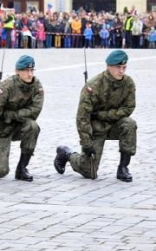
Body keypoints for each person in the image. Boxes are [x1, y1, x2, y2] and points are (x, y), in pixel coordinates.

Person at [54, 50, 136, 182]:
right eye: (118, 67)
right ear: (108, 67)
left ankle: (123, 168)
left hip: (115, 124)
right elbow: (82, 117)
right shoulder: (94, 85)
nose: (121, 71)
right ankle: (67, 154)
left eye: (124, 67)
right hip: (96, 128)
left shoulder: (128, 83)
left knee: (129, 124)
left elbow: (128, 108)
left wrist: (102, 115)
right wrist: (86, 143)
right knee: (89, 172)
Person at [0, 55, 44, 181]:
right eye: (26, 70)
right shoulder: (5, 87)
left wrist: (11, 115)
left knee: (33, 126)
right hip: (1, 129)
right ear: (17, 71)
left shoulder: (37, 86)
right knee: (0, 172)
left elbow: (34, 111)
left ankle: (22, 168)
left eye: (32, 70)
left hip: (18, 126)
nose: (30, 74)